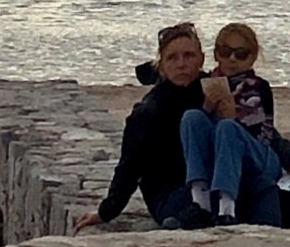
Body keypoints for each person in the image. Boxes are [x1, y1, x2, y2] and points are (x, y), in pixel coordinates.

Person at [74, 21, 211, 233]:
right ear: (161, 65)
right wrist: (106, 212)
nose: (181, 64)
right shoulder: (149, 111)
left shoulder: (214, 92)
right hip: (167, 194)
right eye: (172, 58)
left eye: (189, 56)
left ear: (201, 59)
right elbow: (129, 166)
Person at [180, 22, 290, 227]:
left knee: (227, 128)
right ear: (216, 54)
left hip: (258, 153)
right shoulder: (204, 84)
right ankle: (200, 198)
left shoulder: (259, 87)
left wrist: (233, 118)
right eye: (225, 52)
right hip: (220, 151)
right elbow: (199, 133)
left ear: (252, 57)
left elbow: (266, 135)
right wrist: (207, 107)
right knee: (192, 117)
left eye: (241, 54)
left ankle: (227, 206)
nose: (232, 59)